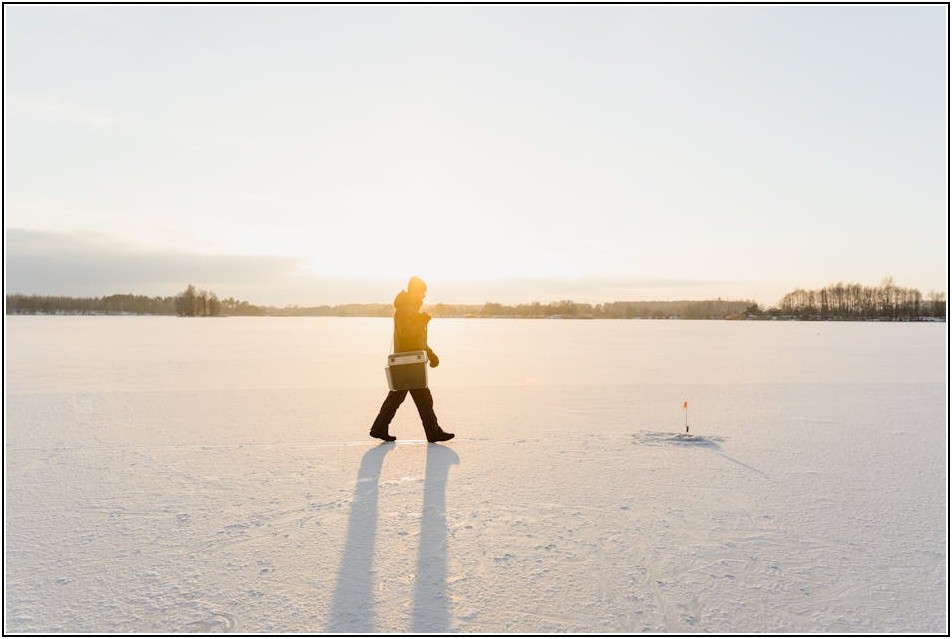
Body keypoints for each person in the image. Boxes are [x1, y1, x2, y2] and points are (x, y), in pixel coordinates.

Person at [369, 276, 455, 444]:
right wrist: (422, 321)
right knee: (417, 398)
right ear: (415, 291)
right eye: (422, 292)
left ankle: (380, 428)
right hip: (407, 362)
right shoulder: (405, 309)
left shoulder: (410, 308)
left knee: (406, 397)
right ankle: (432, 432)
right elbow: (407, 334)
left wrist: (430, 353)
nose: (424, 296)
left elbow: (417, 340)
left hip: (411, 361)